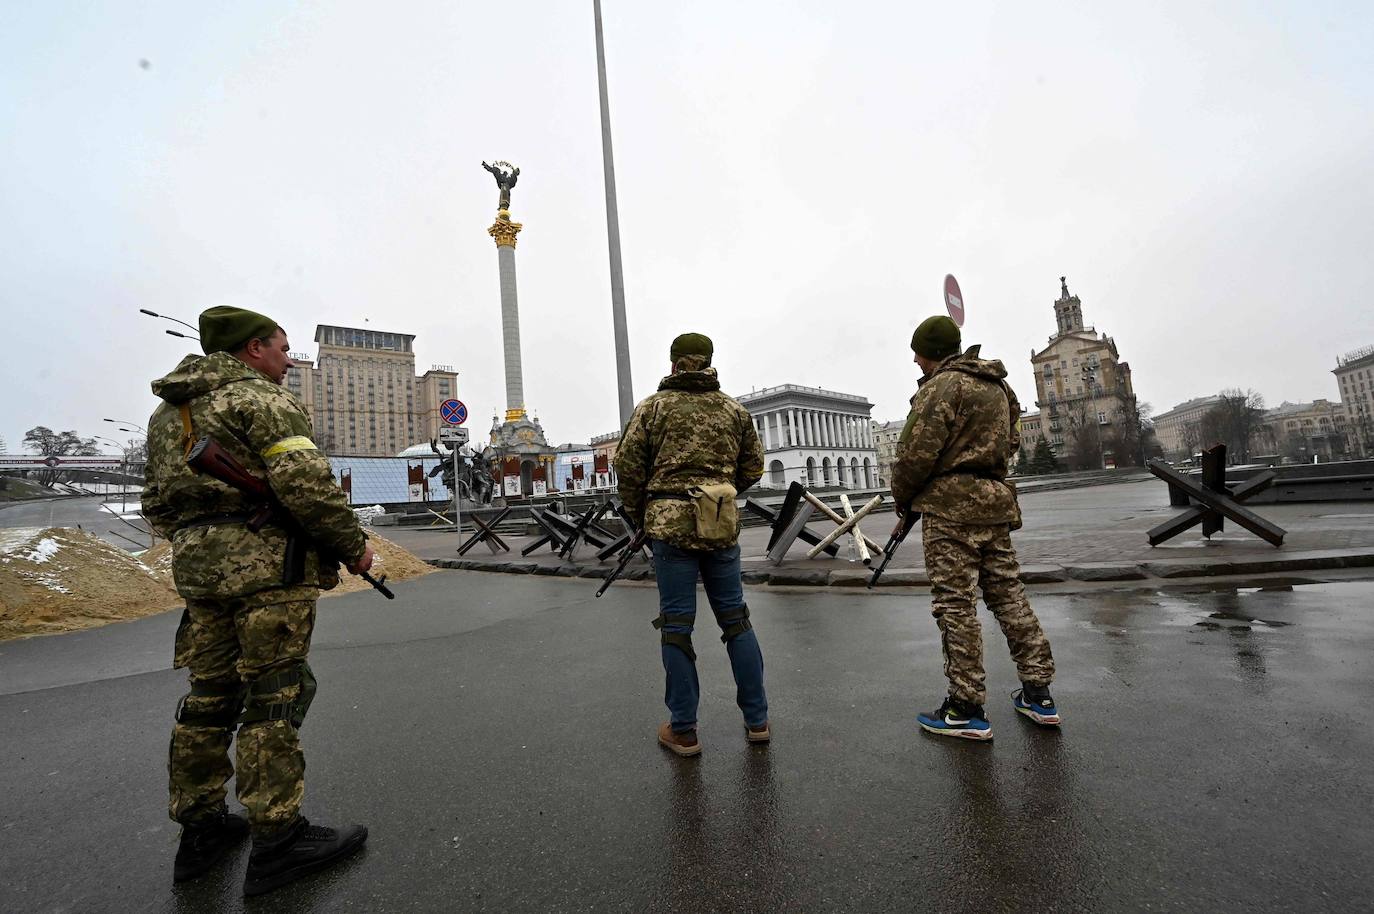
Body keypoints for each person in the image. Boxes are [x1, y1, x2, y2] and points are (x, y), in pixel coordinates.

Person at [142, 306, 373, 895]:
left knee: (209, 695)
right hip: (267, 570)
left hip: (199, 572)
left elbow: (156, 504)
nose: (289, 359)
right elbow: (307, 485)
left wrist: (205, 537)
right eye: (281, 347)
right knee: (275, 694)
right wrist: (353, 547)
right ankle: (279, 838)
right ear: (252, 349)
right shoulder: (262, 400)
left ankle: (201, 828)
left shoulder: (169, 414)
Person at [890, 316, 1060, 741]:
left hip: (950, 511)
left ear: (928, 353)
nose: (915, 360)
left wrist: (904, 496)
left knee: (955, 604)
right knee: (1008, 595)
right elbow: (1012, 440)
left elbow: (915, 454)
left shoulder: (940, 388)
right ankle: (1038, 693)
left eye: (917, 353)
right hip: (995, 503)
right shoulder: (1001, 388)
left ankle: (965, 707)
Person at [615, 332, 768, 757]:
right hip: (719, 527)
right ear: (709, 362)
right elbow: (753, 467)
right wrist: (718, 493)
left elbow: (627, 469)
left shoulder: (653, 408)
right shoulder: (733, 410)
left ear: (674, 364)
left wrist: (643, 511)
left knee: (677, 626)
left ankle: (684, 730)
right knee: (736, 620)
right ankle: (757, 721)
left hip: (669, 531)